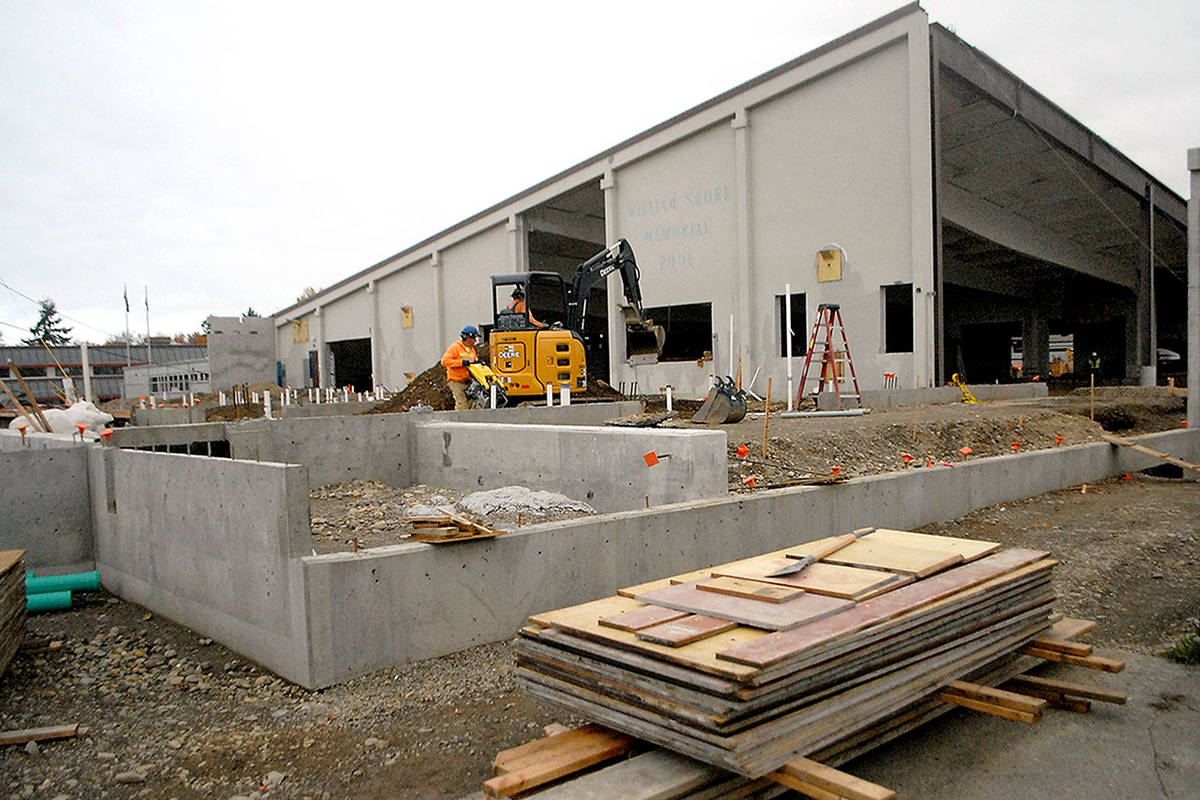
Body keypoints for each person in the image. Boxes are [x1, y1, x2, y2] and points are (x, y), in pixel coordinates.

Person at [441, 326, 479, 410]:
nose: (475, 341)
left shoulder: (471, 350)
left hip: (468, 380)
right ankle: (460, 420)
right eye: (474, 338)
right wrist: (461, 363)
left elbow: (474, 362)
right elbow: (445, 361)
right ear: (467, 338)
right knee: (462, 403)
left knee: (472, 402)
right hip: (456, 381)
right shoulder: (455, 347)